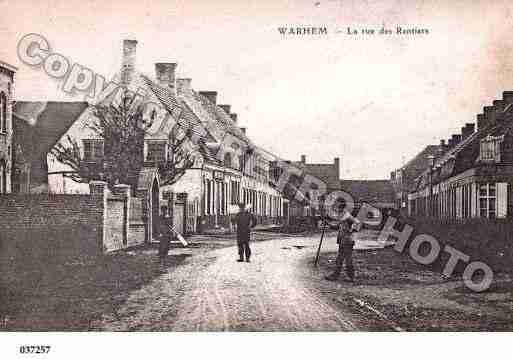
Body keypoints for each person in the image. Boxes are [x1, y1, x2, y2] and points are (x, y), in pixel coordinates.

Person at [325, 209, 361, 282]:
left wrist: (352, 231)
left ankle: (351, 277)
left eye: (339, 211)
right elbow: (336, 227)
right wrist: (328, 223)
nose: (338, 213)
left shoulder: (348, 217)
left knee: (348, 260)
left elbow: (358, 223)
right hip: (342, 241)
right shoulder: (342, 220)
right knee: (339, 259)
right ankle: (336, 275)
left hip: (348, 241)